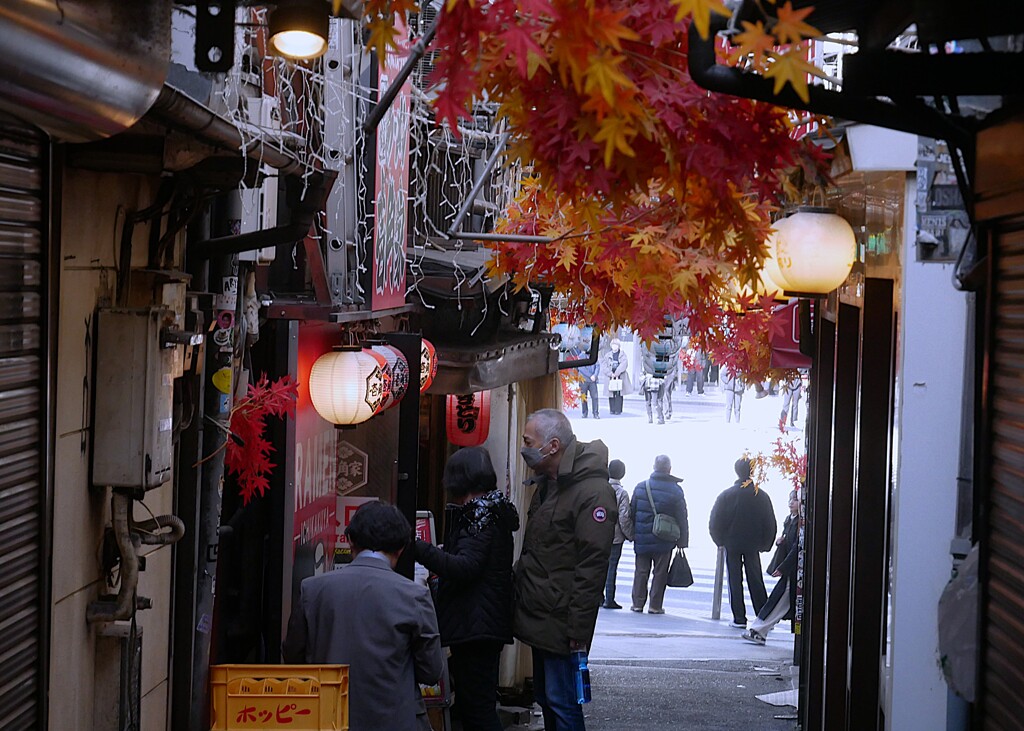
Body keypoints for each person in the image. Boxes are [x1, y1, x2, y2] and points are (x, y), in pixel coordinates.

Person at [283, 502, 444, 731]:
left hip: (326, 718)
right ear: (400, 548)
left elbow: (292, 656)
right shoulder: (414, 596)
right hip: (395, 720)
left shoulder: (312, 589)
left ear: (350, 541)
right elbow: (431, 671)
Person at [514, 409, 617, 731]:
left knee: (562, 702)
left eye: (529, 441)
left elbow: (593, 564)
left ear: (553, 445)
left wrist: (578, 630)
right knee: (548, 698)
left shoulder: (592, 493)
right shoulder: (550, 484)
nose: (525, 447)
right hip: (542, 610)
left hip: (561, 617)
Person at [412, 447, 520, 731]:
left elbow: (465, 567)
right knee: (477, 706)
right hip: (483, 621)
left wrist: (417, 547)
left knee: (478, 711)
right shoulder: (492, 510)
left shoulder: (478, 515)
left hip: (476, 624)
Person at [709, 458, 777, 628]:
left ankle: (739, 617)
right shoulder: (761, 496)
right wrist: (765, 544)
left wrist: (720, 541)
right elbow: (770, 523)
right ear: (752, 472)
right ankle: (763, 615)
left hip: (731, 544)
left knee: (734, 580)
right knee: (755, 579)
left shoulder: (726, 495)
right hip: (753, 545)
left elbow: (715, 522)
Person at [630, 455, 688, 615]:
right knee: (660, 573)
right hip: (665, 538)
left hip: (642, 537)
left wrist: (634, 533)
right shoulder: (676, 490)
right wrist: (683, 540)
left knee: (641, 571)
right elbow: (682, 517)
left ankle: (637, 604)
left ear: (654, 467)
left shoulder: (641, 487)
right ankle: (655, 606)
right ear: (669, 469)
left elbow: (632, 512)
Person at [744, 490, 800, 645]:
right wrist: (780, 542)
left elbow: (797, 548)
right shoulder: (790, 520)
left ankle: (759, 630)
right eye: (790, 499)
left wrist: (782, 567)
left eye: (795, 500)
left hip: (793, 571)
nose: (791, 502)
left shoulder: (800, 522)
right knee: (778, 601)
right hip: (790, 570)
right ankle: (759, 630)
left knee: (778, 601)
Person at [603, 459, 634, 609]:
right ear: (622, 474)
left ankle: (598, 597)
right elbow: (624, 517)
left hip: (598, 535)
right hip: (615, 537)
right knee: (611, 567)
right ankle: (610, 599)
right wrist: (630, 535)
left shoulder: (600, 488)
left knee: (598, 566)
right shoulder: (622, 493)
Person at [641, 335, 678, 424]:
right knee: (648, 401)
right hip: (648, 380)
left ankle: (661, 416)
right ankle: (651, 417)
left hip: (657, 381)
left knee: (657, 400)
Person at [600, 339, 631, 415]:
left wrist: (617, 372)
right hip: (610, 377)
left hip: (620, 376)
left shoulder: (622, 354)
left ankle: (618, 410)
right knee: (611, 393)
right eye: (613, 345)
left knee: (619, 393)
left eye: (616, 345)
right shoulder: (607, 355)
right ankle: (612, 409)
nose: (614, 346)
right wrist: (610, 373)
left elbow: (624, 364)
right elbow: (604, 366)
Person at [577, 354, 601, 419]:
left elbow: (597, 366)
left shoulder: (594, 356)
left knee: (595, 397)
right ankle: (584, 413)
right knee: (584, 397)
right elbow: (580, 368)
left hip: (593, 380)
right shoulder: (581, 356)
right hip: (583, 379)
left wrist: (595, 375)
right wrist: (591, 376)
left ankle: (595, 413)